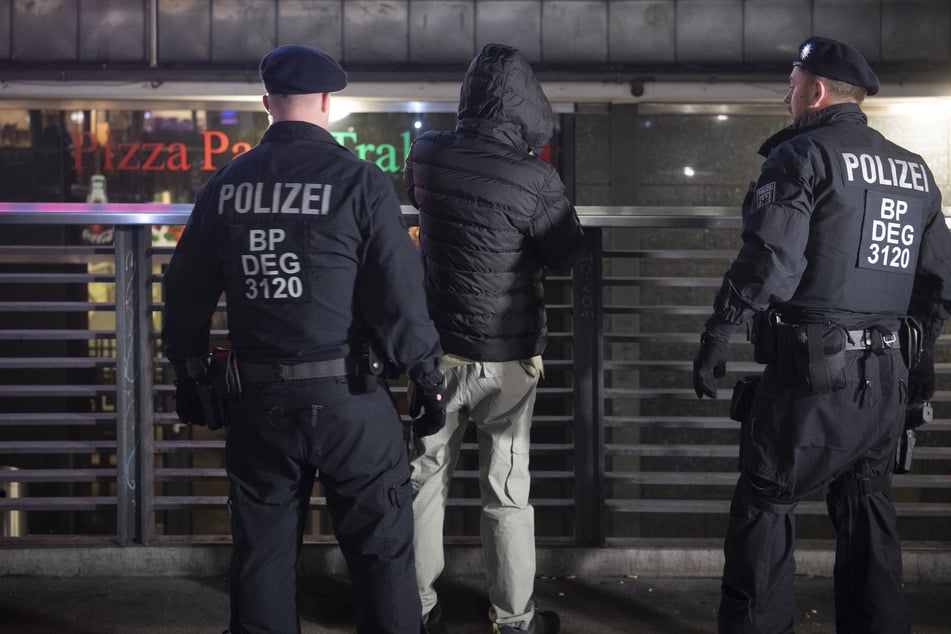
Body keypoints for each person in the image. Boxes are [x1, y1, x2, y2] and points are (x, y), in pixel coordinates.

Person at [162, 44, 446, 634]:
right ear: (326, 103)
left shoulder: (228, 183)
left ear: (267, 104)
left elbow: (184, 286)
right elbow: (398, 288)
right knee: (381, 555)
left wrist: (186, 370)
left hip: (259, 405)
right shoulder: (358, 181)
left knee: (263, 558)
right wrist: (424, 374)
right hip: (351, 398)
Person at [692, 36, 951, 633]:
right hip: (885, 387)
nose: (786, 93)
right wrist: (921, 365)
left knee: (765, 511)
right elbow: (937, 284)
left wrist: (716, 336)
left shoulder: (801, 157)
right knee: (868, 519)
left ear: (819, 90)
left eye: (792, 82)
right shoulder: (915, 172)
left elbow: (769, 263)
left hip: (808, 389)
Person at [404, 43, 585, 634]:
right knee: (507, 492)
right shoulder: (536, 177)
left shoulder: (426, 154)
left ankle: (415, 608)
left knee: (424, 480)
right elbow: (563, 251)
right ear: (527, 104)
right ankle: (513, 619)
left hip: (437, 352)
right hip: (508, 359)